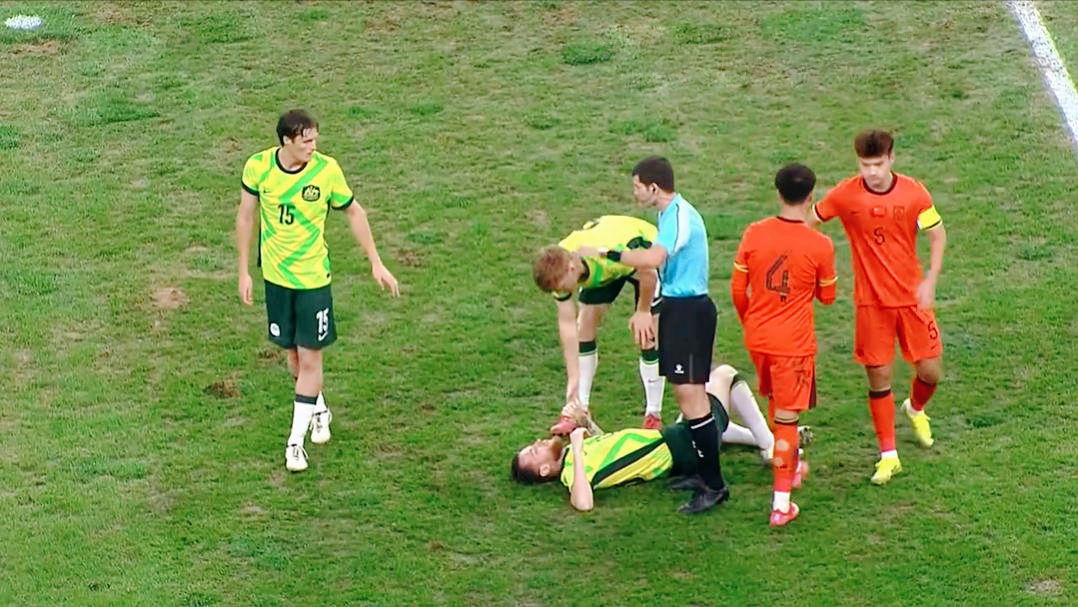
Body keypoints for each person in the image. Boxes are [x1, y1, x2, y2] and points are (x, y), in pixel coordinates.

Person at [236, 109, 400, 473]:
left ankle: (295, 443)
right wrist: (244, 271)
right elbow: (246, 216)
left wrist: (375, 262)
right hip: (276, 280)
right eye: (306, 141)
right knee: (293, 359)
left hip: (313, 282)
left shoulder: (327, 171)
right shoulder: (258, 168)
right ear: (286, 141)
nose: (313, 146)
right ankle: (319, 408)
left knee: (310, 360)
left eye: (315, 139)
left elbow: (355, 212)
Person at [584, 156, 724, 514]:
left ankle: (714, 485)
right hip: (680, 309)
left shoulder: (677, 216)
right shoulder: (669, 214)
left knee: (693, 399)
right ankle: (702, 473)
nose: (634, 193)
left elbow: (654, 259)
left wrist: (608, 253)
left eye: (637, 187)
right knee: (687, 396)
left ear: (654, 187)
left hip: (689, 311)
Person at [806, 130, 946, 485]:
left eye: (878, 164)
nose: (871, 172)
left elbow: (937, 233)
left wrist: (930, 280)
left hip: (912, 299)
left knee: (931, 371)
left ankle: (915, 408)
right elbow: (811, 220)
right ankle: (889, 455)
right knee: (879, 377)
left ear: (891, 159)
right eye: (865, 165)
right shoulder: (845, 195)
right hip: (871, 304)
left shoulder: (914, 193)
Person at [511, 365, 794, 511]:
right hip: (680, 446)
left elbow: (613, 451)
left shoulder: (578, 460)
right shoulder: (572, 472)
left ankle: (758, 439)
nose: (537, 444)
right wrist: (575, 445)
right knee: (723, 375)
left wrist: (586, 425)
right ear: (545, 470)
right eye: (534, 452)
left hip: (673, 439)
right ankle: (769, 445)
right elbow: (583, 503)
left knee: (703, 412)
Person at [731, 163, 837, 527]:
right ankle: (781, 503)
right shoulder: (820, 245)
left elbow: (737, 290)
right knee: (787, 421)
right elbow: (827, 297)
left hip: (759, 339)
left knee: (778, 406)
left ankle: (790, 466)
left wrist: (751, 322)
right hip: (793, 345)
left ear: (778, 193)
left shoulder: (754, 233)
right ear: (811, 196)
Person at [532, 215, 665, 434]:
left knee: (648, 333)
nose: (562, 291)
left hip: (642, 255)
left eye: (562, 287)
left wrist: (642, 312)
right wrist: (573, 378)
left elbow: (648, 273)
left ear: (572, 269)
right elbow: (567, 326)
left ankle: (653, 414)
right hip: (607, 265)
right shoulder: (560, 266)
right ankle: (580, 409)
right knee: (584, 325)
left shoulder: (607, 255)